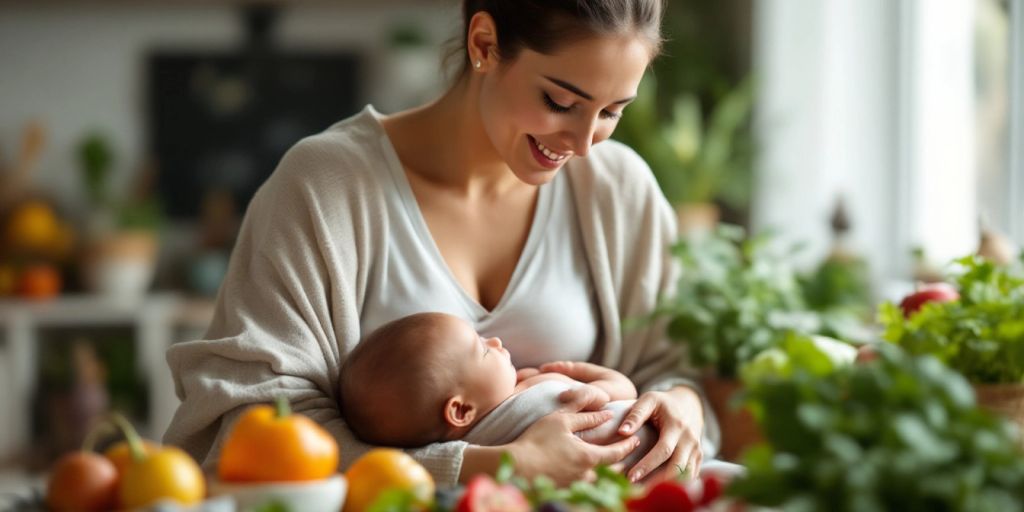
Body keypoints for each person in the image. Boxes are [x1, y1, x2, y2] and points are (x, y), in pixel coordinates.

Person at [164, 0, 720, 488]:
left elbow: (676, 372)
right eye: (559, 101)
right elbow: (253, 422)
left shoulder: (617, 189)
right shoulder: (324, 186)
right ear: (485, 44)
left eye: (612, 112)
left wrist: (680, 411)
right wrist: (489, 466)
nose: (582, 144)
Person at [339, 312, 660, 470]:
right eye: (482, 351)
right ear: (461, 410)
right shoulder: (538, 392)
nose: (495, 341)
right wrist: (598, 381)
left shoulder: (477, 449)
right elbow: (625, 393)